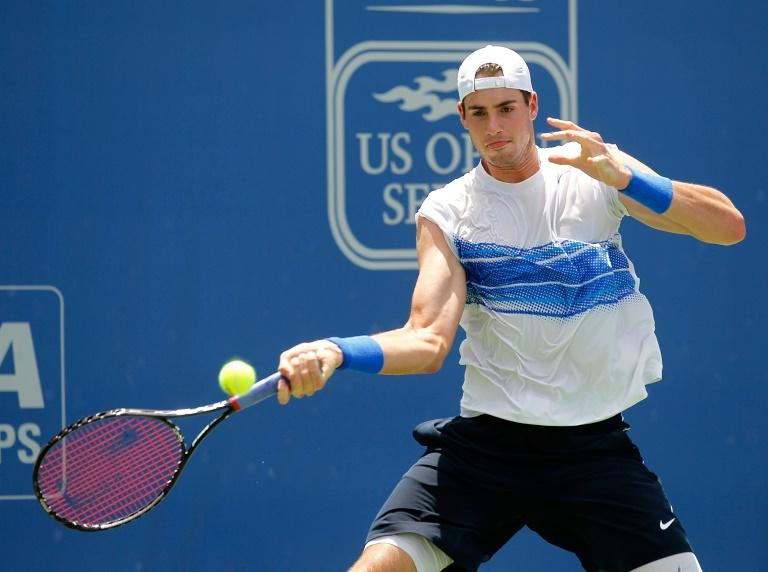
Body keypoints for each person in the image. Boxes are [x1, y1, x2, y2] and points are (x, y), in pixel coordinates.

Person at [274, 46, 746, 572]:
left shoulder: (593, 169)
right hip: (488, 449)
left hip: (593, 449)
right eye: (479, 112)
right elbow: (427, 341)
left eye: (506, 108)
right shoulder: (447, 212)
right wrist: (336, 351)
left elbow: (727, 227)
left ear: (532, 105)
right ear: (462, 118)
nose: (494, 126)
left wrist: (625, 178)